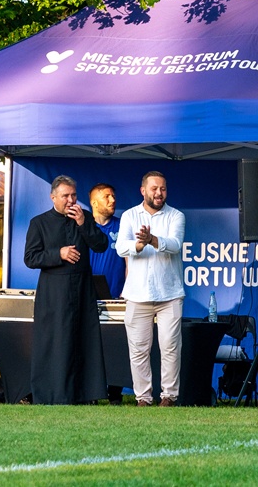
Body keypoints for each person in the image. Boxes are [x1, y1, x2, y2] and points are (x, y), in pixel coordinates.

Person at [24, 175, 108, 405]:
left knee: (83, 340)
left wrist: (82, 224)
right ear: (53, 197)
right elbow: (30, 258)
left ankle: (84, 395)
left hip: (82, 289)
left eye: (74, 195)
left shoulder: (85, 217)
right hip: (54, 292)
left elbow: (101, 245)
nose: (71, 200)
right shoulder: (39, 223)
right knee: (56, 342)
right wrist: (58, 254)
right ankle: (53, 394)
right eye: (65, 196)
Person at [115, 171, 185, 407]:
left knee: (170, 347)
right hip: (137, 294)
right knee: (138, 349)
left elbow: (175, 245)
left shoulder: (176, 216)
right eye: (154, 189)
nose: (159, 193)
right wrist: (139, 244)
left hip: (170, 294)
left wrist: (152, 240)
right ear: (143, 191)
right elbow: (120, 247)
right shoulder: (129, 215)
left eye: (163, 189)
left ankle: (169, 396)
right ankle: (143, 398)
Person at [88, 183, 127, 405]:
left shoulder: (123, 226)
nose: (112, 200)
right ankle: (91, 393)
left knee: (116, 346)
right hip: (88, 297)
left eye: (113, 196)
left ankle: (115, 393)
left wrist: (126, 291)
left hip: (117, 297)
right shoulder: (84, 227)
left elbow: (130, 261)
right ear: (94, 202)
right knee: (90, 346)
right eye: (107, 197)